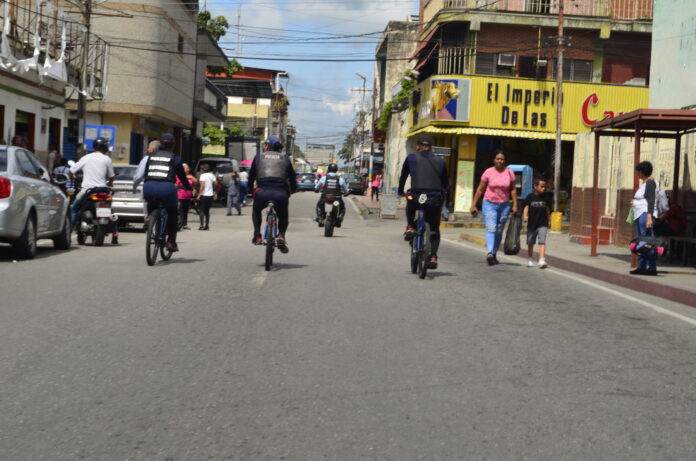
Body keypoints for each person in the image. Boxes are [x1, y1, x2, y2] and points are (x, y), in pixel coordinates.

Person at [132, 133, 191, 252]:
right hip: (167, 188)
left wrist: (135, 186)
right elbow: (182, 177)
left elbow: (140, 175)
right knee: (172, 213)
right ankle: (170, 242)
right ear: (173, 145)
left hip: (149, 187)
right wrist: (188, 188)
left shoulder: (149, 156)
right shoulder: (175, 158)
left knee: (151, 203)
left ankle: (149, 217)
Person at [398, 136, 449, 269]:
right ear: (431, 148)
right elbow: (445, 183)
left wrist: (400, 191)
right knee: (434, 229)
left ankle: (410, 226)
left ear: (418, 147)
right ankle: (433, 256)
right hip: (434, 199)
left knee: (410, 203)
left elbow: (403, 176)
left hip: (416, 196)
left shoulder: (411, 158)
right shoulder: (441, 161)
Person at [248, 135, 297, 253]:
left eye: (264, 144)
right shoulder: (285, 158)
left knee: (256, 210)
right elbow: (292, 177)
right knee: (283, 215)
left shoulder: (258, 157)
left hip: (262, 193)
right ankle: (281, 235)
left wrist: (250, 189)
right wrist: (293, 189)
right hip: (281, 194)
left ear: (267, 146)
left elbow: (251, 176)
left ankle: (257, 235)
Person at [470, 149, 518, 265]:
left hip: (504, 205)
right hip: (489, 204)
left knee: (499, 230)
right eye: (498, 159)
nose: (500, 161)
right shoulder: (488, 172)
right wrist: (473, 204)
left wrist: (515, 204)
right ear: (494, 160)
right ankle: (490, 252)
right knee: (491, 228)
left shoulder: (509, 172)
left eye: (502, 159)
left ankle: (494, 253)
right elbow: (480, 189)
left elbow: (513, 189)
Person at [69, 136, 115, 234]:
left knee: (74, 208)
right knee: (109, 207)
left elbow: (71, 171)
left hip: (86, 190)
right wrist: (109, 183)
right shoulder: (107, 159)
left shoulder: (86, 157)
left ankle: (68, 233)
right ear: (105, 147)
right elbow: (112, 177)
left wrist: (73, 177)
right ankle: (111, 229)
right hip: (103, 190)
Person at [631, 161, 659, 276]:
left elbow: (651, 201)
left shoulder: (650, 183)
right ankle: (645, 266)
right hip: (641, 214)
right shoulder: (646, 183)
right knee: (644, 241)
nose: (637, 174)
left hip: (644, 215)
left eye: (638, 172)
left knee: (645, 242)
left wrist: (649, 218)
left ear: (642, 172)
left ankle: (649, 267)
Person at [523, 177, 551, 269]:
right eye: (542, 186)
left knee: (542, 241)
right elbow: (526, 207)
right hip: (532, 223)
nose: (544, 188)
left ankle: (542, 259)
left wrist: (549, 220)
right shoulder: (530, 197)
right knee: (530, 242)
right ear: (535, 186)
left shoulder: (546, 197)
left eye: (545, 187)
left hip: (542, 223)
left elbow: (547, 209)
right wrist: (525, 216)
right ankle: (530, 259)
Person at [176, 163, 197, 229]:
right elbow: (177, 184)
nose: (188, 169)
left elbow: (196, 182)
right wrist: (185, 177)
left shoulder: (190, 176)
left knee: (185, 210)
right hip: (180, 195)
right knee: (179, 210)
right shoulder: (178, 176)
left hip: (187, 196)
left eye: (188, 168)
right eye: (186, 168)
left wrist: (191, 177)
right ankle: (179, 224)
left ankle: (184, 224)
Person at [197, 164, 217, 230]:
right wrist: (213, 190)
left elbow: (202, 185)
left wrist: (199, 194)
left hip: (204, 195)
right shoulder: (212, 175)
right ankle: (207, 226)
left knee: (201, 210)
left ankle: (201, 225)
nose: (200, 170)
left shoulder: (202, 175)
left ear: (203, 170)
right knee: (207, 211)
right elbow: (216, 183)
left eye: (201, 169)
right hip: (210, 196)